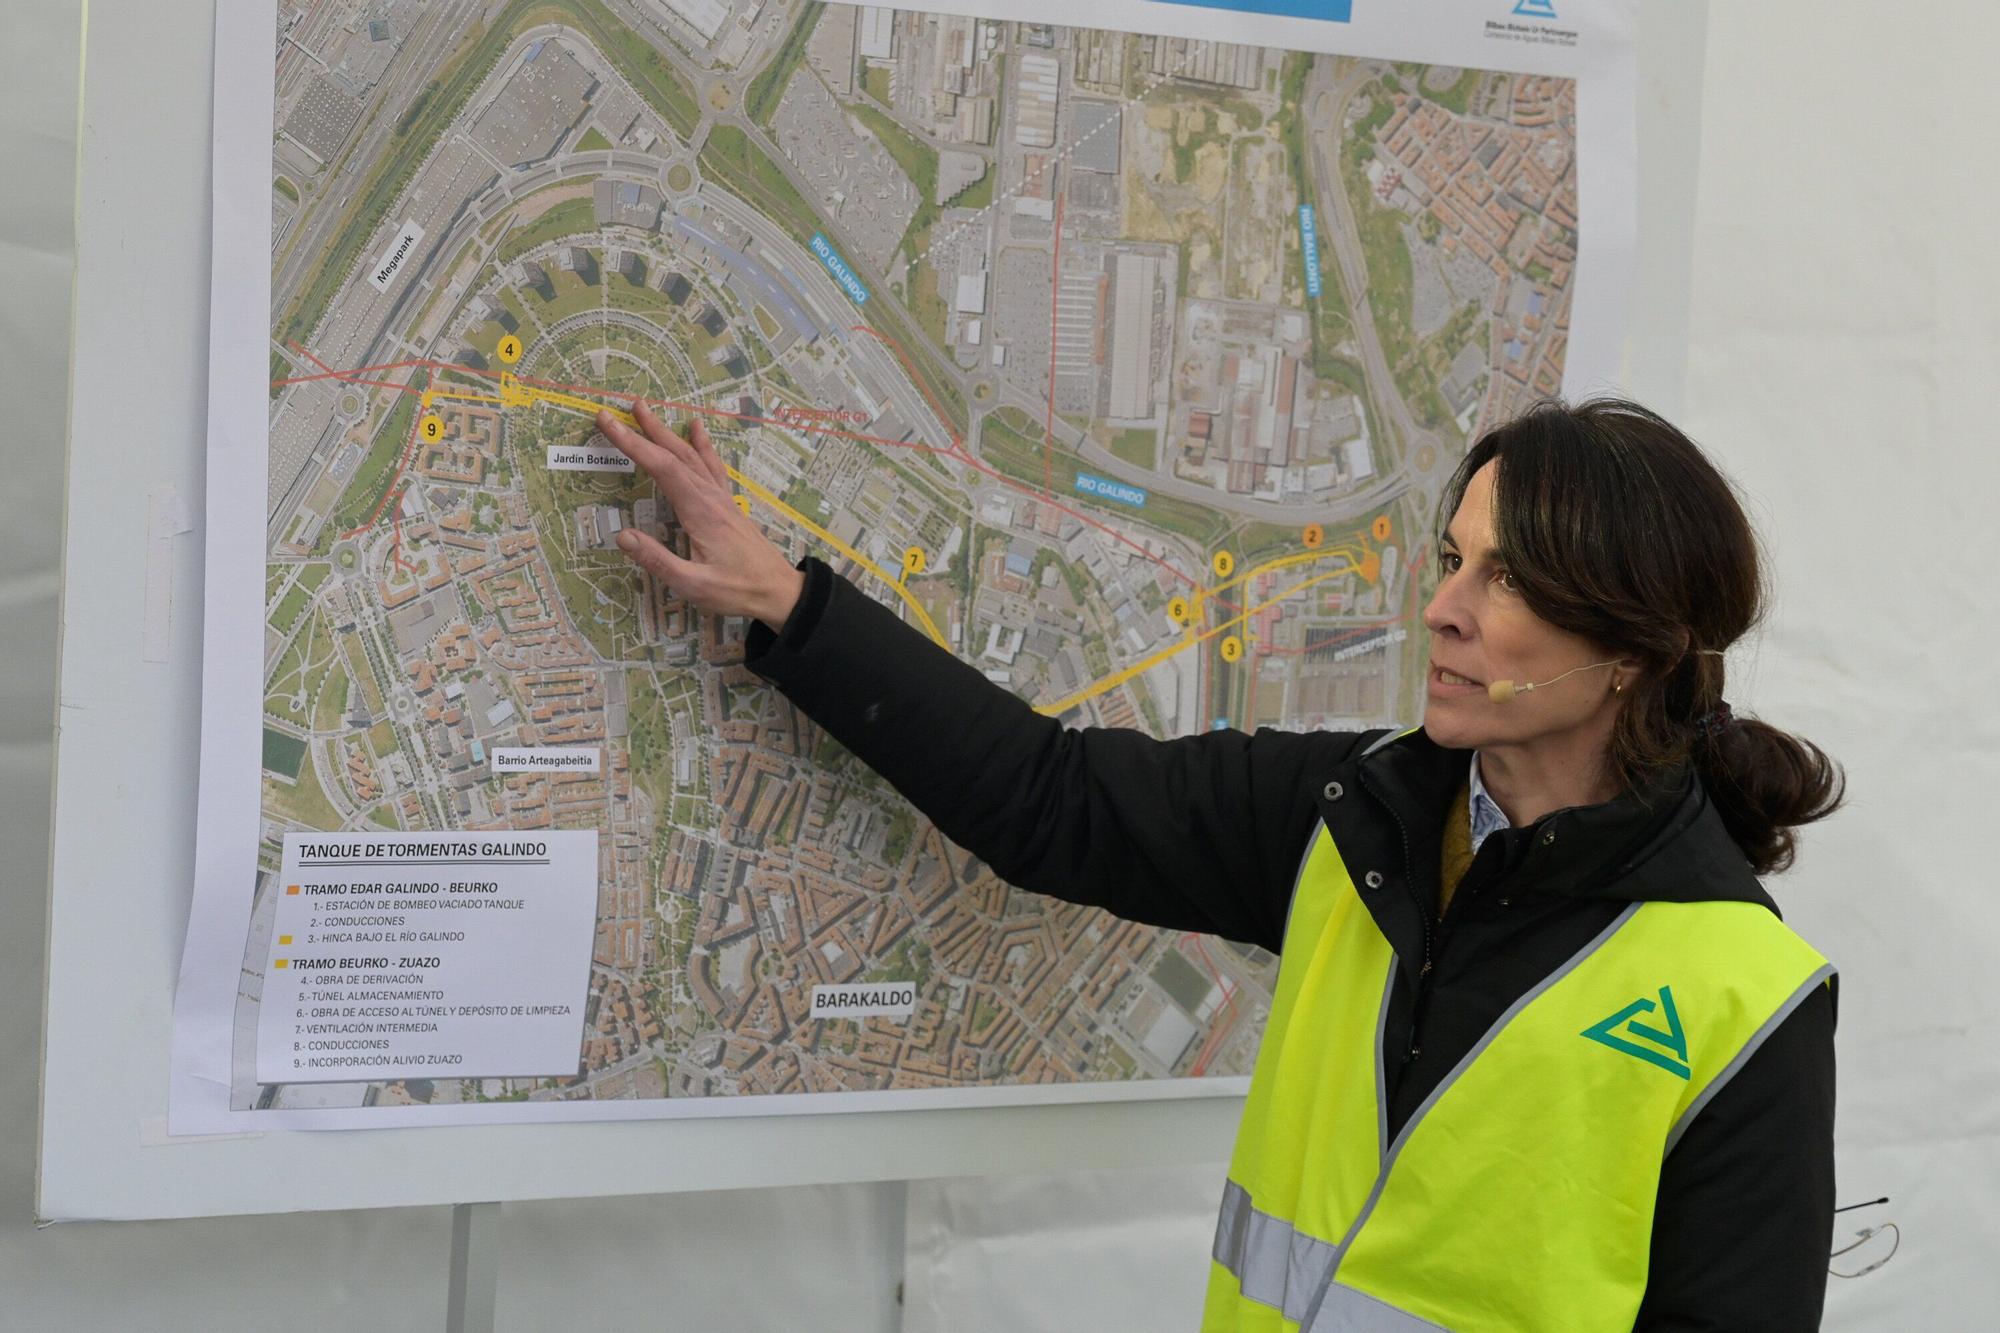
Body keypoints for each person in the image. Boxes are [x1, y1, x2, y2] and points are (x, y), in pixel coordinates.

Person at [598, 395, 1844, 1330]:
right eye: (1451, 556)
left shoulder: (1744, 997)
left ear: (1628, 645)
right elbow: (1051, 801)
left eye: (1506, 577)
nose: (1441, 608)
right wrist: (787, 602)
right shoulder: (1354, 818)